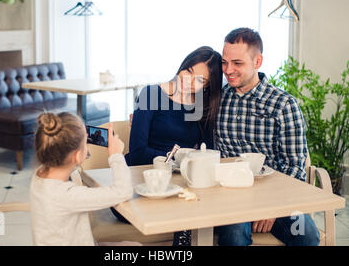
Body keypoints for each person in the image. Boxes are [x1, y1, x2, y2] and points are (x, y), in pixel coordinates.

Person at [214, 27, 320, 246]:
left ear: (258, 62)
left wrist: (273, 207)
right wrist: (144, 114)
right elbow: (181, 106)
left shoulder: (283, 105)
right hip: (230, 197)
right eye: (224, 62)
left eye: (237, 63)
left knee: (307, 235)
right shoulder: (217, 100)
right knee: (235, 235)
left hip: (276, 194)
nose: (228, 70)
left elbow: (295, 166)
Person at [124, 46, 223, 245]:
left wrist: (186, 163)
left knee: (211, 207)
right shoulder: (152, 94)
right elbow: (137, 153)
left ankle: (182, 232)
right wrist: (180, 159)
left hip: (180, 182)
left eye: (200, 80)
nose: (188, 81)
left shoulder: (202, 105)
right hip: (141, 177)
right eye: (189, 71)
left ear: (207, 86)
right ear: (182, 67)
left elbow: (207, 152)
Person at [30, 112, 139, 246]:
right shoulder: (66, 195)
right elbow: (123, 191)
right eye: (85, 143)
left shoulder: (40, 174)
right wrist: (116, 155)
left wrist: (80, 148)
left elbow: (71, 168)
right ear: (75, 156)